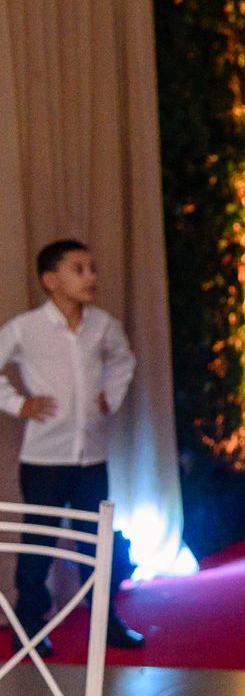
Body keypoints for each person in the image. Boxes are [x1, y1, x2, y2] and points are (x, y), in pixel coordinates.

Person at [0, 240, 141, 656]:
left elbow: (123, 360)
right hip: (43, 459)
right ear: (50, 280)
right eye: (79, 269)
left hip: (91, 459)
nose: (91, 277)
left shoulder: (102, 325)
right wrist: (17, 403)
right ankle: (27, 627)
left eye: (93, 268)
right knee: (38, 545)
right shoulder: (26, 328)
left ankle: (106, 621)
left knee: (94, 542)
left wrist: (109, 396)